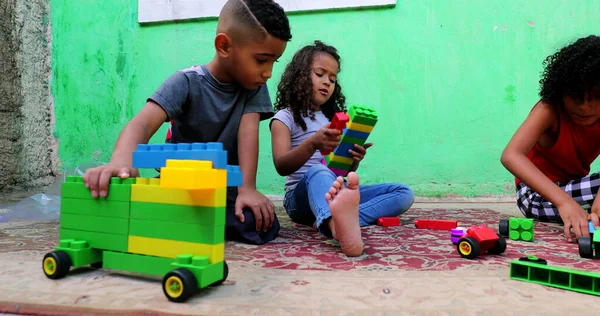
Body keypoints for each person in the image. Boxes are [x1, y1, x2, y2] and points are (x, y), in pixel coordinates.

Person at [82, 0, 292, 245]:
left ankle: (188, 223)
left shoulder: (254, 87)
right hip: (179, 186)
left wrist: (247, 189)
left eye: (273, 62)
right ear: (224, 46)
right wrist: (121, 160)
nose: (267, 72)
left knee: (260, 224)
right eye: (261, 60)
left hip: (224, 191)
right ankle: (188, 221)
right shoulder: (186, 82)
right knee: (132, 210)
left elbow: (248, 135)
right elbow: (143, 124)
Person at [269, 41, 415, 256]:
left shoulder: (332, 119)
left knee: (403, 193)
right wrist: (313, 144)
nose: (327, 82)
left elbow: (339, 173)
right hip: (298, 200)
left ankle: (342, 218)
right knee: (318, 171)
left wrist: (353, 159)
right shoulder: (285, 117)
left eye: (333, 78)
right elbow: (281, 165)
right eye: (320, 74)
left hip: (334, 189)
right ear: (299, 75)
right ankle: (335, 226)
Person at [500, 35, 600, 243]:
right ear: (561, 89)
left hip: (576, 188)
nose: (584, 106)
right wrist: (565, 203)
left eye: (596, 96)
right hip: (536, 196)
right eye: (575, 95)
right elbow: (511, 155)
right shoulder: (549, 110)